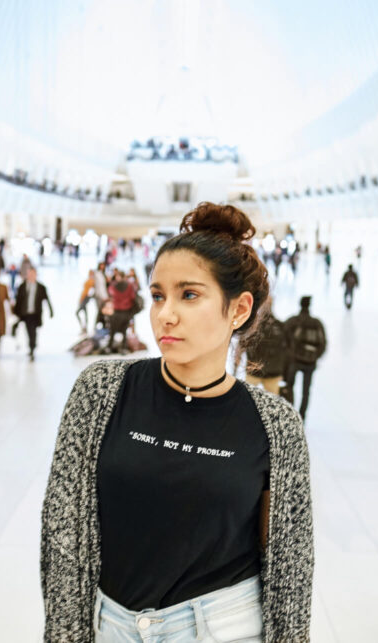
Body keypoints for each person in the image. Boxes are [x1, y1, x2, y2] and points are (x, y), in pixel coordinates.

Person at [40, 202, 312, 641]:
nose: (166, 313)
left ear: (238, 309)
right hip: (114, 626)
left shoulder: (274, 425)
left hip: (225, 628)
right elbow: (62, 536)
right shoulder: (103, 391)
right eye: (158, 295)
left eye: (189, 295)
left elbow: (290, 569)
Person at [283, 296, 327, 418]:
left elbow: (284, 335)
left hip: (295, 361)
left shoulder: (294, 321)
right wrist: (315, 357)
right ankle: (302, 416)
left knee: (289, 386)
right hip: (310, 363)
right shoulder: (316, 323)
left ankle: (290, 414)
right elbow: (323, 343)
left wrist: (290, 352)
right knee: (306, 391)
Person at [242, 299, 290, 395]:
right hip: (273, 372)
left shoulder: (253, 326)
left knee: (246, 400)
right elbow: (288, 351)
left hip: (254, 371)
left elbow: (243, 344)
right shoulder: (280, 326)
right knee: (272, 405)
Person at [13, 266, 53, 361]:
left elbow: (47, 299)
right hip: (25, 314)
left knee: (33, 331)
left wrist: (51, 311)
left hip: (35, 314)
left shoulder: (41, 287)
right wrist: (16, 312)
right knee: (28, 331)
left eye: (33, 274)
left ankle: (32, 347)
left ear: (36, 275)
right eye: (29, 274)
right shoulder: (22, 286)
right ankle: (31, 346)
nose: (31, 276)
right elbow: (18, 300)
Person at [106, 269, 139, 354]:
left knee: (113, 330)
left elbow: (110, 292)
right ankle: (123, 348)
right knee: (124, 330)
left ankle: (109, 347)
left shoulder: (113, 286)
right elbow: (132, 297)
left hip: (116, 311)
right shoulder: (129, 285)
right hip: (126, 311)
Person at [76, 269, 95, 333]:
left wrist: (88, 297)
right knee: (84, 312)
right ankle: (84, 327)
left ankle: (83, 326)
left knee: (78, 313)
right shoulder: (89, 280)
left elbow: (90, 291)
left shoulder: (92, 281)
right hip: (84, 297)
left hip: (85, 297)